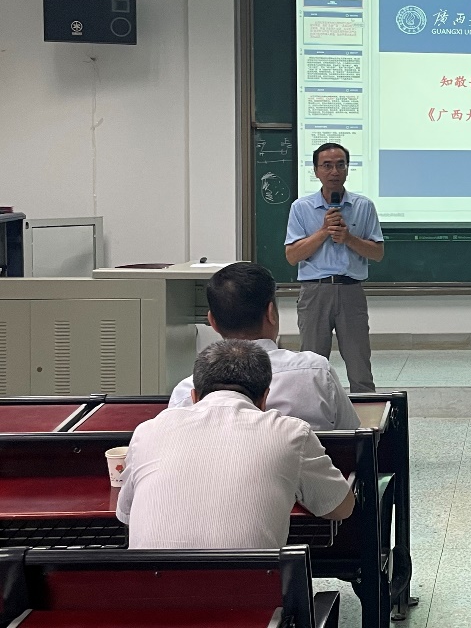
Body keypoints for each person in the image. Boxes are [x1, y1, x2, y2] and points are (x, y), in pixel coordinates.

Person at [117, 339, 354, 549]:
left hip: (148, 586)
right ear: (264, 398)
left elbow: (125, 514)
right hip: (253, 587)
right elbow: (341, 508)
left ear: (194, 397)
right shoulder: (291, 433)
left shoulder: (146, 432)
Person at [167, 261, 360, 431]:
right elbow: (352, 436)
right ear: (271, 313)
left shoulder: (185, 393)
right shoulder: (316, 373)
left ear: (213, 322)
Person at [285, 142, 384, 392]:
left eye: (341, 165)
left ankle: (366, 413)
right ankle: (313, 412)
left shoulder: (363, 206)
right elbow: (292, 256)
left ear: (348, 169)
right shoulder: (301, 208)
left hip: (351, 291)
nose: (334, 172)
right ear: (316, 171)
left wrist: (348, 238)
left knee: (359, 364)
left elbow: (377, 253)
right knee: (312, 365)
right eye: (327, 166)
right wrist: (323, 232)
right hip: (315, 292)